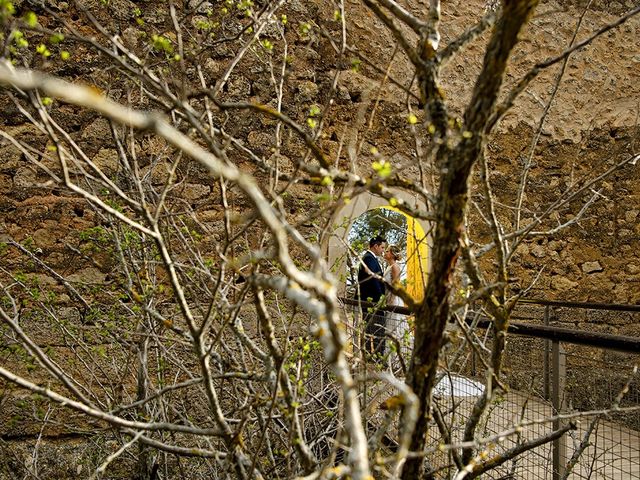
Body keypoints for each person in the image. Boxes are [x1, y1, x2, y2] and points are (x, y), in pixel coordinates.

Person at [357, 236, 386, 362]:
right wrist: (381, 299)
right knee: (377, 330)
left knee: (371, 330)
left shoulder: (369, 258)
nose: (383, 251)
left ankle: (371, 357)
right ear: (375, 246)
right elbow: (373, 281)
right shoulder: (369, 259)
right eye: (382, 247)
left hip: (370, 301)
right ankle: (375, 359)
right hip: (372, 302)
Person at [383, 245, 410, 352]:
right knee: (389, 327)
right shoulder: (389, 267)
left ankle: (398, 354)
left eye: (387, 251)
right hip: (388, 297)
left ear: (393, 254)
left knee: (394, 326)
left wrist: (391, 300)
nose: (385, 253)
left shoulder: (395, 267)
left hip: (393, 300)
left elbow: (396, 286)